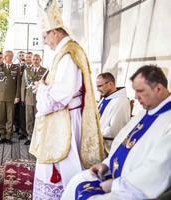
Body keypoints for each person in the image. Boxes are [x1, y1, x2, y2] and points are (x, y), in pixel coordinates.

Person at [61, 65, 171, 200]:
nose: (135, 97)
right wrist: (106, 164)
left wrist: (116, 184)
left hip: (135, 187)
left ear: (158, 89)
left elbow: (156, 169)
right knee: (76, 181)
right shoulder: (147, 111)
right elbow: (123, 142)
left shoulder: (167, 121)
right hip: (115, 173)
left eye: (140, 91)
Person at [30, 1, 103, 199]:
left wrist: (42, 90)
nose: (44, 41)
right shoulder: (66, 51)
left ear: (55, 32)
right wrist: (44, 88)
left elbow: (61, 95)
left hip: (66, 123)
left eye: (45, 36)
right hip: (63, 118)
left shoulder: (69, 53)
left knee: (65, 169)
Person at [96, 72, 131, 153]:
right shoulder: (106, 98)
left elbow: (114, 130)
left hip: (108, 148)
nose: (97, 89)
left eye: (99, 86)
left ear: (110, 84)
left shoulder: (121, 101)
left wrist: (95, 135)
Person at [0, 50, 21, 145]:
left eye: (7, 56)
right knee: (1, 117)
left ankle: (9, 136)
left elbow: (18, 84)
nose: (4, 58)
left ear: (11, 57)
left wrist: (17, 96)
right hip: (0, 96)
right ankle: (2, 135)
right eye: (4, 56)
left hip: (11, 97)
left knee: (10, 118)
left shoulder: (16, 68)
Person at [21, 54, 47, 145]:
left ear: (40, 59)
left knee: (39, 118)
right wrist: (22, 98)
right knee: (29, 118)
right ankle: (30, 137)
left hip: (40, 98)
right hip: (29, 97)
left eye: (37, 59)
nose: (35, 61)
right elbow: (23, 84)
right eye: (34, 59)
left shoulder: (45, 71)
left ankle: (39, 138)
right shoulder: (27, 70)